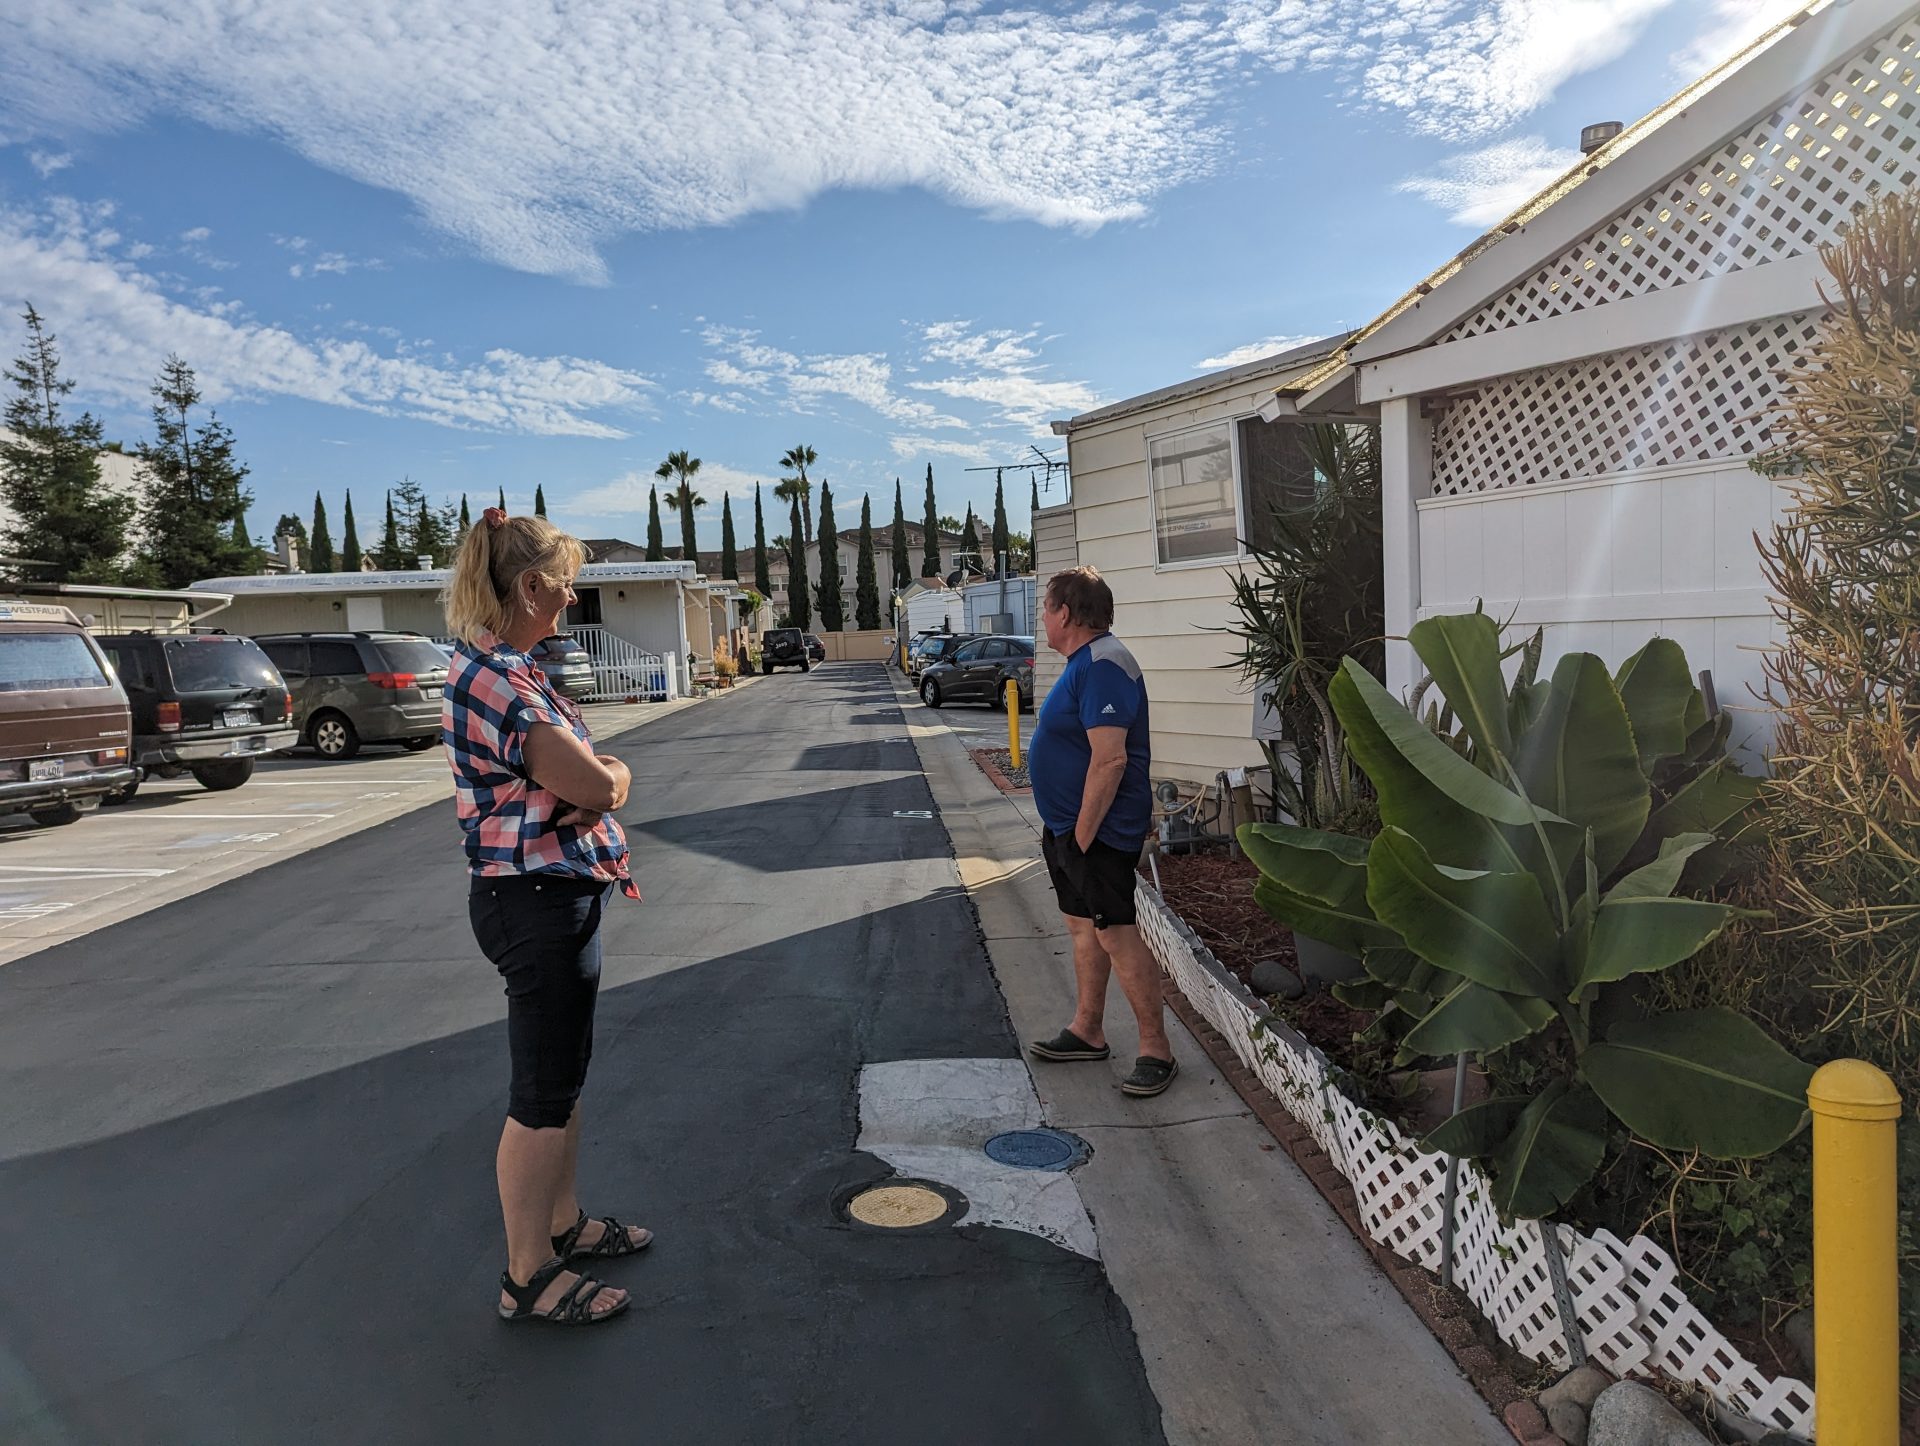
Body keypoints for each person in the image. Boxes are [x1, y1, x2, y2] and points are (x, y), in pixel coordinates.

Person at [443, 507, 652, 1326]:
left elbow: (598, 773)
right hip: (531, 902)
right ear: (530, 585)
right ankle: (527, 1275)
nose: (571, 598)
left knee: (562, 1080)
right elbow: (595, 786)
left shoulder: (514, 669)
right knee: (540, 1092)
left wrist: (607, 775)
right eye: (565, 583)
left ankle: (562, 1226)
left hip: (554, 896)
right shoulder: (496, 677)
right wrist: (608, 781)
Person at [1024, 566, 1176, 1097]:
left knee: (1115, 932)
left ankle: (1156, 1047)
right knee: (1083, 929)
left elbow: (1110, 761)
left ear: (1065, 612)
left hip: (1099, 834)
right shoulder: (1082, 664)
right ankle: (1087, 1030)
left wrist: (1083, 837)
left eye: (1046, 607)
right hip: (1069, 830)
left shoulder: (1106, 664)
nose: (1042, 617)